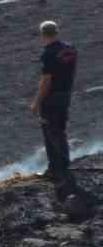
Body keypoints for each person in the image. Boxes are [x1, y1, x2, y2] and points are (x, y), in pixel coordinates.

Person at [31, 19, 79, 194]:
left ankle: (58, 170)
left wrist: (36, 102)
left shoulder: (48, 53)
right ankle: (60, 167)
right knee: (60, 129)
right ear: (57, 32)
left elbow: (46, 81)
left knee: (51, 132)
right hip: (65, 95)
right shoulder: (70, 49)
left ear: (43, 35)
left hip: (50, 98)